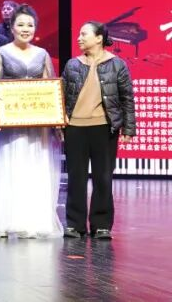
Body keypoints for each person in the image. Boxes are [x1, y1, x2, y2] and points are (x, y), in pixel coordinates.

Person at [0, 5, 63, 239]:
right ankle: (4, 221)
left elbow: (49, 89)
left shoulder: (42, 54)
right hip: (9, 127)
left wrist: (55, 121)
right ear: (11, 27)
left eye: (30, 25)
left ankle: (33, 221)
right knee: (8, 167)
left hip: (36, 126)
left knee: (33, 168)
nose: (25, 29)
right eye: (21, 24)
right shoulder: (0, 53)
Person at [62, 21, 136, 240]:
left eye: (84, 34)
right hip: (75, 127)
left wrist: (128, 128)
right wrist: (59, 120)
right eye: (79, 34)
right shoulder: (72, 64)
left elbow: (127, 98)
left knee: (103, 177)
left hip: (104, 127)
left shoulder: (117, 64)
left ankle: (101, 224)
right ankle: (74, 224)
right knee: (76, 177)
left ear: (99, 38)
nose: (79, 38)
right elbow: (61, 95)